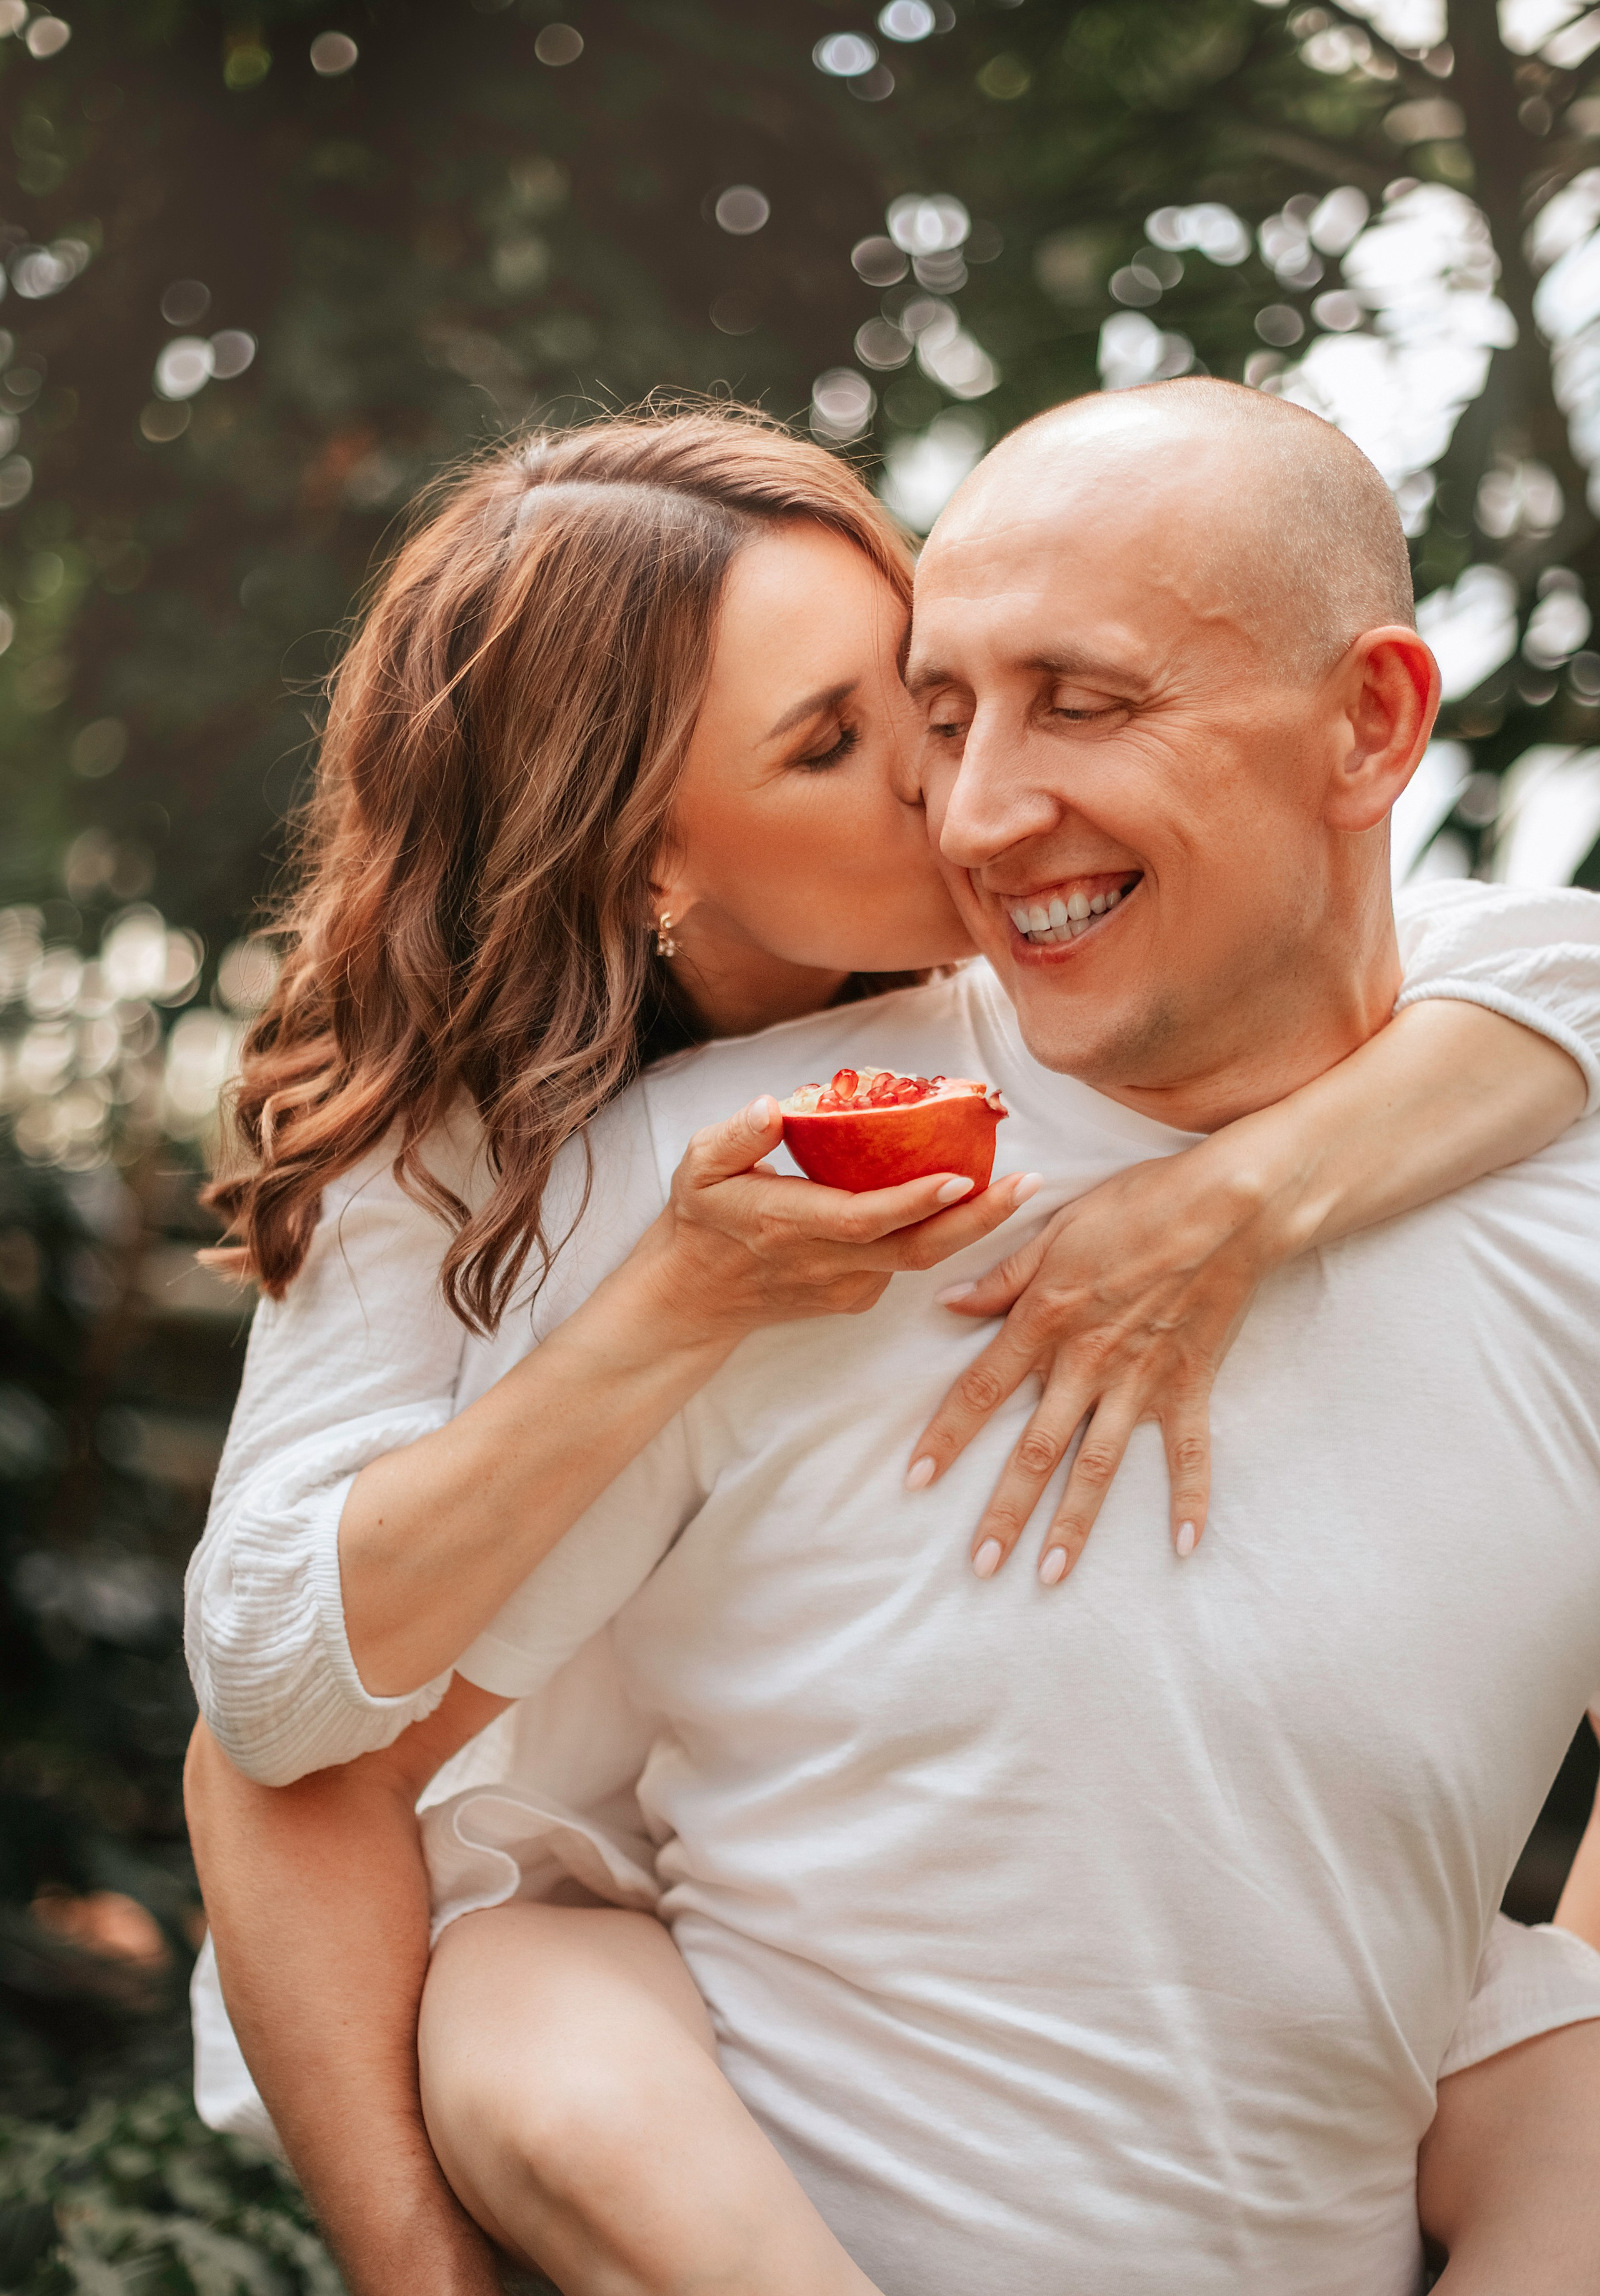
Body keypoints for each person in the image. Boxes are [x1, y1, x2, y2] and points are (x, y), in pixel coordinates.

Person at [183, 393, 1600, 2294]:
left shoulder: (1489, 1103)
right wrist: (680, 1298)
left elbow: (1552, 964)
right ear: (648, 866)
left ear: (1371, 724)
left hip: (1321, 2118)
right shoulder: (543, 1180)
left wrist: (1235, 1200)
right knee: (532, 1995)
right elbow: (277, 1733)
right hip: (602, 2016)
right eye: (862, 741)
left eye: (1007, 700)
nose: (967, 803)